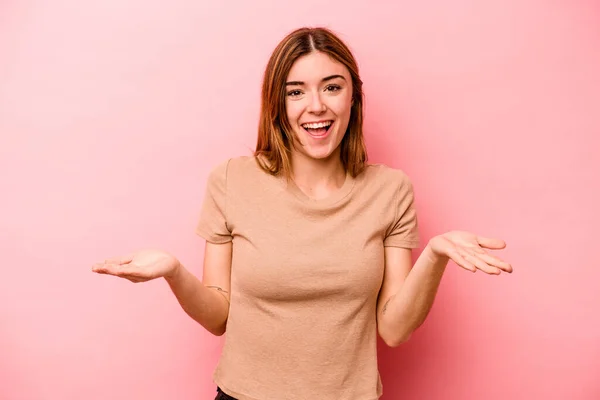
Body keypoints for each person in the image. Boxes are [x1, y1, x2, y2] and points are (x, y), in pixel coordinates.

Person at [92, 26, 513, 400]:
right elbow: (219, 316)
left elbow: (394, 329)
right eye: (296, 91)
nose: (316, 106)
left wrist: (435, 255)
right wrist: (173, 271)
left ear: (354, 96)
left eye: (332, 87)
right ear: (278, 103)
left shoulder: (391, 190)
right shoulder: (229, 180)